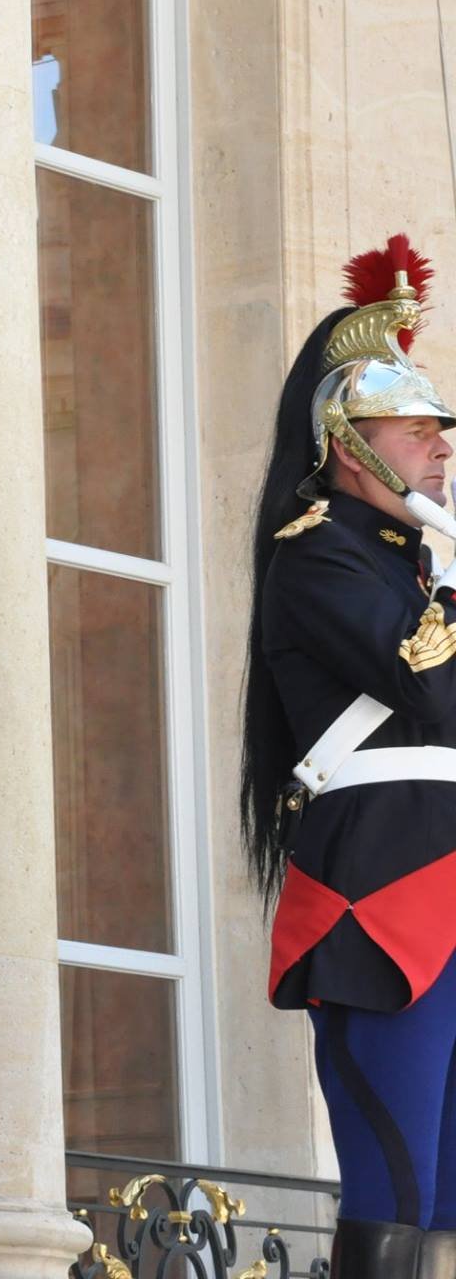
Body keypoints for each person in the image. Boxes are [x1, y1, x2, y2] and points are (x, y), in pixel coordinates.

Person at [243, 234, 456, 1278]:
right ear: (344, 439)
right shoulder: (318, 554)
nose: (438, 446)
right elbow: (428, 685)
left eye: (437, 428)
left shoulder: (418, 571)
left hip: (448, 890)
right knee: (397, 1186)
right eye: (412, 427)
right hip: (383, 902)